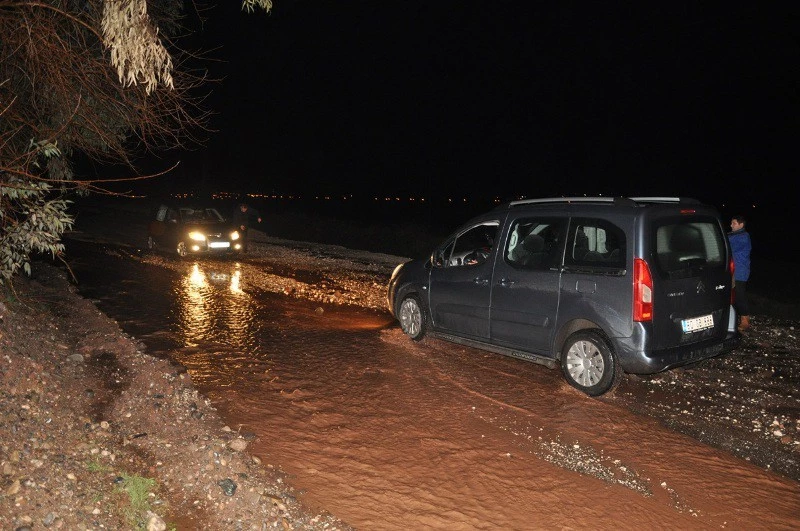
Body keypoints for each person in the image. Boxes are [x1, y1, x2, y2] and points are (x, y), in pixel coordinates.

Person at [728, 214, 752, 332]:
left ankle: (745, 321)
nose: (731, 225)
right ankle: (735, 318)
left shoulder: (742, 236)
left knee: (740, 296)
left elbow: (728, 243)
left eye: (734, 223)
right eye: (731, 223)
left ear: (741, 225)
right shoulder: (734, 235)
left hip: (740, 271)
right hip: (733, 271)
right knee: (733, 295)